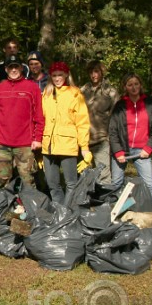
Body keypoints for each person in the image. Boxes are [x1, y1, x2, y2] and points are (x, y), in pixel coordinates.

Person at [0, 55, 45, 189]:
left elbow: (39, 116)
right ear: (6, 69)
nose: (14, 70)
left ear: (21, 68)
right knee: (2, 178)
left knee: (27, 179)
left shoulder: (31, 88)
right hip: (2, 143)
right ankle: (4, 206)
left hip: (25, 143)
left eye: (16, 66)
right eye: (10, 67)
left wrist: (37, 138)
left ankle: (29, 206)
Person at [109, 73, 152, 210]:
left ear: (140, 85)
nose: (133, 87)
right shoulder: (120, 105)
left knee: (149, 183)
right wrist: (118, 151)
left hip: (142, 150)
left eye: (136, 84)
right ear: (125, 87)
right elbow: (113, 130)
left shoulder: (150, 104)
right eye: (130, 85)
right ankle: (114, 212)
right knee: (116, 183)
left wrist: (149, 148)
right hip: (122, 150)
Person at [41, 62, 91, 205]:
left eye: (60, 75)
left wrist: (84, 147)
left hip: (68, 145)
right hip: (48, 146)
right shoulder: (46, 94)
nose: (57, 78)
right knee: (52, 183)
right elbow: (40, 119)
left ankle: (69, 211)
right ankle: (59, 211)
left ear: (66, 75)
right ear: (51, 76)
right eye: (54, 75)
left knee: (71, 183)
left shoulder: (75, 94)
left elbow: (82, 122)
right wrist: (39, 148)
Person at [81, 61, 118, 184]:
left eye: (96, 71)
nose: (94, 75)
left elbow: (116, 117)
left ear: (102, 72)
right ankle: (86, 201)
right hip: (84, 140)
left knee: (104, 174)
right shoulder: (82, 91)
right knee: (85, 175)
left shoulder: (110, 92)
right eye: (91, 72)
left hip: (102, 139)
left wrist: (111, 137)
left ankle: (105, 201)